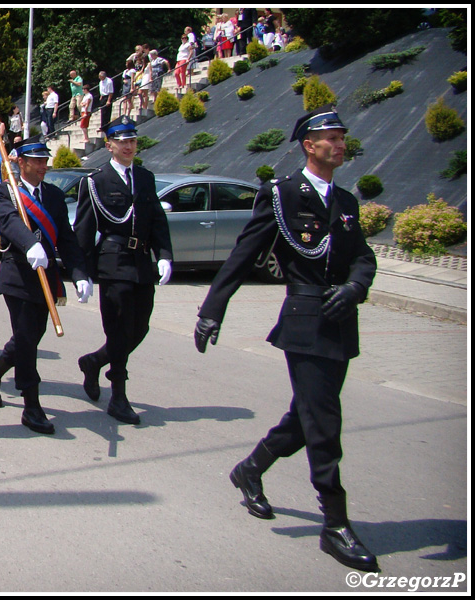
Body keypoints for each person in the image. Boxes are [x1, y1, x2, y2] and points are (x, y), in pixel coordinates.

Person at [194, 105, 379, 573]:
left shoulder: (348, 202)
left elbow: (362, 257)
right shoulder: (282, 194)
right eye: (331, 138)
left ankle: (251, 469)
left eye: (342, 137)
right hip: (305, 320)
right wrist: (211, 309)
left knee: (308, 415)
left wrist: (357, 286)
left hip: (340, 320)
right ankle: (335, 522)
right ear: (308, 145)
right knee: (325, 421)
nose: (340, 145)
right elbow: (244, 253)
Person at [0, 136, 91, 434]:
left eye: (44, 160)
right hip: (19, 276)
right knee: (27, 341)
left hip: (46, 277)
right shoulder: (6, 191)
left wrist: (79, 273)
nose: (43, 166)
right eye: (36, 161)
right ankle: (31, 405)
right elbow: (9, 222)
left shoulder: (52, 195)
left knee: (31, 335)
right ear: (22, 162)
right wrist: (29, 244)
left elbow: (66, 237)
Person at [73, 116, 173, 425]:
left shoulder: (145, 177)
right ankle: (118, 395)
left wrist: (164, 255)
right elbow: (84, 230)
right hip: (113, 262)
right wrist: (82, 273)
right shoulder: (96, 181)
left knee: (139, 328)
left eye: (132, 140)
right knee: (117, 329)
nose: (129, 146)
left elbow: (156, 219)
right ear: (109, 145)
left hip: (141, 261)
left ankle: (94, 362)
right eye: (122, 141)